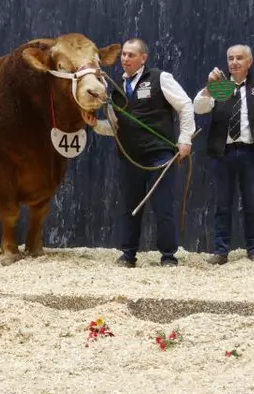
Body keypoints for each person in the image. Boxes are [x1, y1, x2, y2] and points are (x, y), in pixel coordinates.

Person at [85, 37, 196, 267]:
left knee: (163, 207)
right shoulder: (115, 89)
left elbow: (185, 105)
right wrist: (95, 125)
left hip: (160, 155)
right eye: (124, 54)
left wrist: (185, 139)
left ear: (143, 58)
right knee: (129, 208)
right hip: (129, 156)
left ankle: (168, 257)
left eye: (131, 55)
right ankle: (128, 255)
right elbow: (115, 128)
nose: (125, 58)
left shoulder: (160, 78)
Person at [193, 44, 254, 265]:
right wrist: (207, 87)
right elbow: (199, 108)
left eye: (239, 58)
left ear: (249, 62)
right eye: (230, 58)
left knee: (252, 203)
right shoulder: (220, 86)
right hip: (223, 153)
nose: (234, 62)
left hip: (251, 153)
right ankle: (221, 251)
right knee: (223, 204)